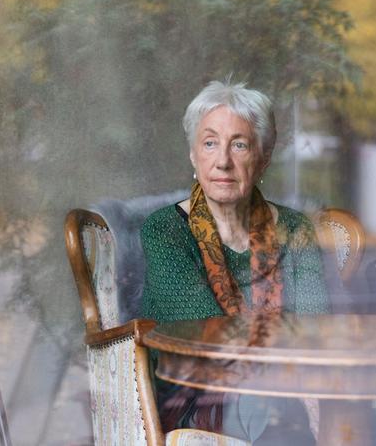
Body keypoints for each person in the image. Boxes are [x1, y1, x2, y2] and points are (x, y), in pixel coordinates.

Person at [140, 80, 329, 445]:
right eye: (210, 143)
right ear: (194, 156)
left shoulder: (295, 229)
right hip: (194, 392)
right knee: (274, 404)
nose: (223, 160)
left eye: (239, 144)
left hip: (285, 387)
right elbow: (206, 336)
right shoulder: (165, 230)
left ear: (263, 157)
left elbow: (314, 328)